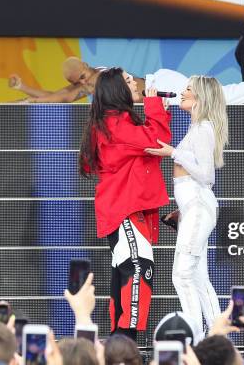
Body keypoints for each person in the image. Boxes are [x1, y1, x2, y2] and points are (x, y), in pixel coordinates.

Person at [78, 67, 171, 342]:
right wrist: (155, 106)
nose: (136, 83)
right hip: (125, 209)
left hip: (123, 209)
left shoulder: (114, 122)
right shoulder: (116, 124)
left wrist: (157, 110)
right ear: (117, 89)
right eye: (129, 81)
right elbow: (157, 142)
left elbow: (152, 146)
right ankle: (124, 342)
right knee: (137, 269)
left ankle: (120, 342)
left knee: (126, 273)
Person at [145, 75, 226, 334]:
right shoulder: (198, 127)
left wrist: (173, 153)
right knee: (199, 279)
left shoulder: (203, 128)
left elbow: (206, 175)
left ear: (200, 97)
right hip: (194, 208)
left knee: (182, 275)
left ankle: (195, 337)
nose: (182, 92)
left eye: (188, 89)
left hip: (199, 207)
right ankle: (215, 337)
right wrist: (184, 210)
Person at [9, 56, 244, 104]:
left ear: (79, 76)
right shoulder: (88, 84)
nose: (75, 87)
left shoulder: (106, 78)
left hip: (164, 87)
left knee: (221, 96)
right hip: (162, 93)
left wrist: (29, 96)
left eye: (74, 82)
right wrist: (25, 91)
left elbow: (58, 97)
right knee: (222, 96)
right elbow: (56, 97)